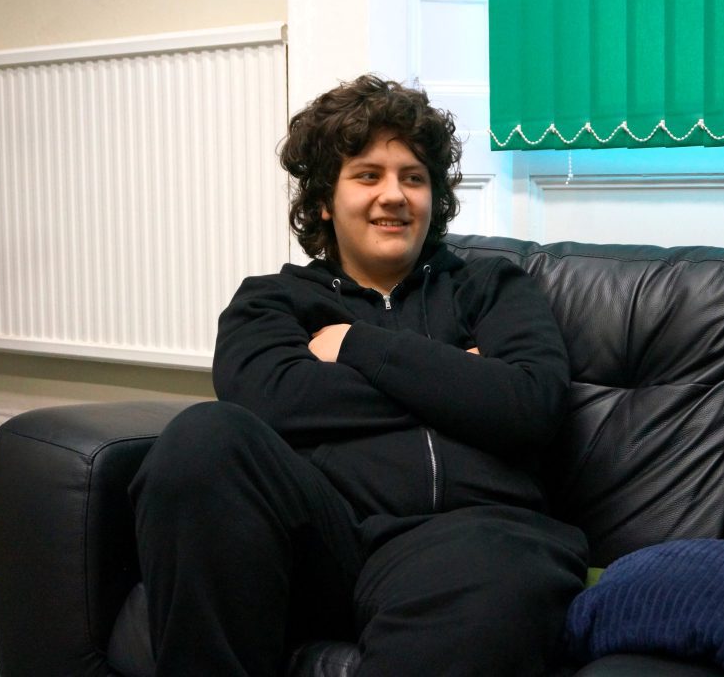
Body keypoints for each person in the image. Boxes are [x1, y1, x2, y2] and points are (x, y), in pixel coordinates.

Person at [129, 74, 589, 677]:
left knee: (489, 572)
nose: (394, 195)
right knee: (201, 439)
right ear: (325, 199)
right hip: (326, 537)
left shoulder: (491, 287)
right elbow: (270, 400)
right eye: (368, 175)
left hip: (476, 537)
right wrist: (461, 382)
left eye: (414, 177)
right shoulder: (272, 302)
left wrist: (355, 344)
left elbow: (531, 404)